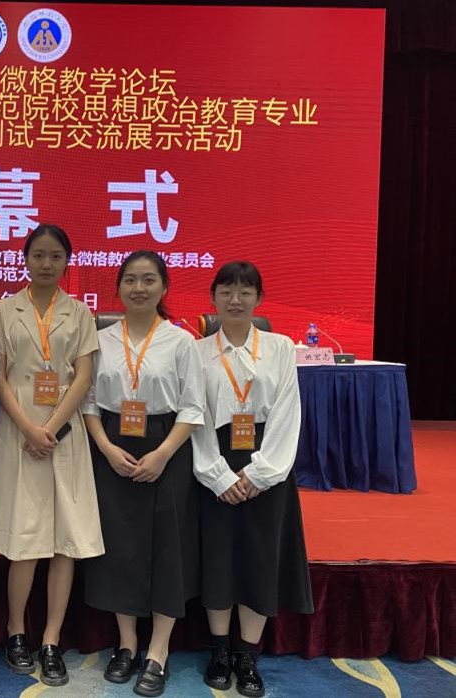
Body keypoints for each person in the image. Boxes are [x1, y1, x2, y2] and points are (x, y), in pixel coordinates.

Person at [0, 224, 103, 688]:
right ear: (25, 260)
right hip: (18, 433)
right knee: (24, 540)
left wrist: (49, 428)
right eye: (38, 255)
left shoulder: (80, 312)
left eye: (55, 256)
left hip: (65, 437)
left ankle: (50, 639)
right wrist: (29, 428)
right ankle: (16, 632)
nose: (46, 264)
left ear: (67, 261)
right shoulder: (2, 311)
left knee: (63, 542)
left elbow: (83, 376)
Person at [81, 251, 205, 696]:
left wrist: (163, 454)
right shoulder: (101, 340)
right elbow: (89, 402)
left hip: (166, 448)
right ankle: (127, 644)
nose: (139, 288)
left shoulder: (181, 341)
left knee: (167, 547)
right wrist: (106, 449)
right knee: (121, 548)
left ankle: (158, 650)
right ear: (118, 287)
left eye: (148, 280)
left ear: (164, 287)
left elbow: (193, 407)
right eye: (130, 280)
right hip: (113, 447)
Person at [191, 261, 313, 698]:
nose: (235, 300)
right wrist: (218, 475)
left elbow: (287, 413)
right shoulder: (197, 351)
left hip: (267, 466)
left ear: (259, 298)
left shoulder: (279, 347)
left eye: (245, 291)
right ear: (213, 298)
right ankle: (220, 650)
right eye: (226, 291)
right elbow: (194, 416)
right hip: (215, 465)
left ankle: (247, 654)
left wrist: (261, 473)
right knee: (219, 557)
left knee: (260, 558)